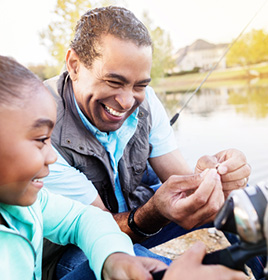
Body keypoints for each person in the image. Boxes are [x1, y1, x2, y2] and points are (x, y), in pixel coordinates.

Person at [42, 5, 252, 278]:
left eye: (139, 85)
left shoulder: (147, 101)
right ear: (74, 65)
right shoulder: (40, 126)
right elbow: (93, 227)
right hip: (72, 248)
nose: (127, 101)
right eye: (114, 82)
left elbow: (181, 180)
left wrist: (212, 180)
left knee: (245, 218)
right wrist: (153, 213)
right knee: (150, 268)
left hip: (135, 219)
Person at [0, 55, 247, 280]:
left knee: (235, 213)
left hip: (122, 225)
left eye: (140, 86)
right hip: (62, 260)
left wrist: (113, 257)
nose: (52, 157)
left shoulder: (30, 204)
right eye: (42, 140)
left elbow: (82, 219)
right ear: (74, 65)